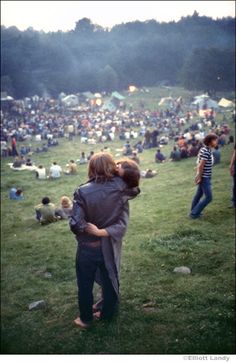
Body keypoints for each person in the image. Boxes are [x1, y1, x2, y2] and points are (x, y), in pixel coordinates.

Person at [69, 152, 140, 329]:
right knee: (110, 278)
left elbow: (75, 224)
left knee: (85, 285)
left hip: (88, 247)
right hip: (110, 245)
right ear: (111, 167)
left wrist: (88, 228)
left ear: (91, 168)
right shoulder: (123, 187)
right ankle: (107, 313)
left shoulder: (82, 191)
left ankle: (86, 319)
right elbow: (135, 186)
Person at [189, 133, 218, 219]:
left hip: (204, 176)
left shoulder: (204, 149)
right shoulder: (206, 151)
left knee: (198, 195)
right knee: (209, 197)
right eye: (214, 140)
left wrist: (198, 175)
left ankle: (193, 211)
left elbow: (199, 164)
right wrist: (199, 176)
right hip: (205, 177)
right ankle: (194, 214)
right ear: (210, 141)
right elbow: (201, 165)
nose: (216, 142)